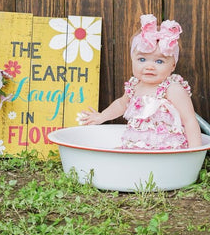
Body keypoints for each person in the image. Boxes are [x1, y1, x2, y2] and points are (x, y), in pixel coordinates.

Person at [77, 14, 203, 149]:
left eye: (159, 61)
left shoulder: (172, 89)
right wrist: (102, 117)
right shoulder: (135, 86)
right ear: (132, 60)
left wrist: (195, 151)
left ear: (173, 66)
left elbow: (189, 120)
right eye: (142, 60)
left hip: (166, 148)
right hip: (138, 145)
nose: (149, 66)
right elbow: (121, 104)